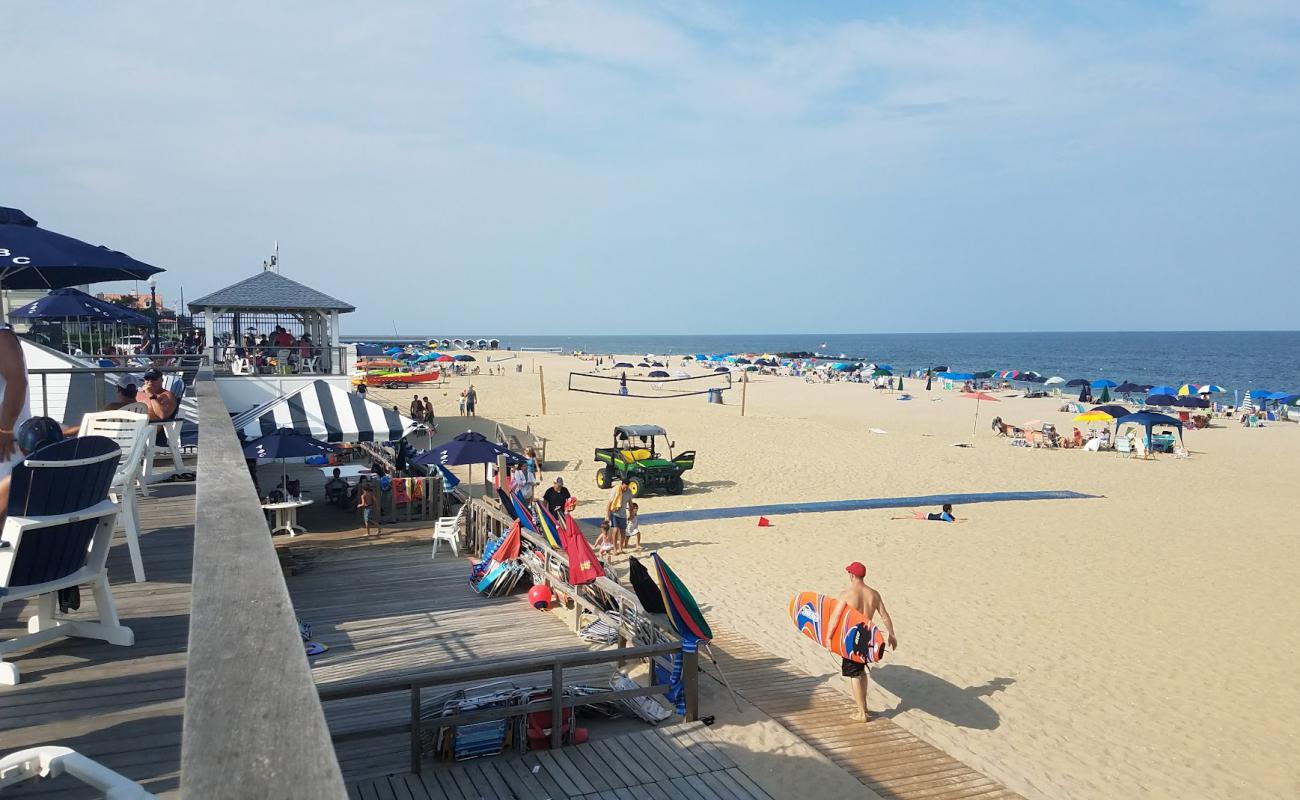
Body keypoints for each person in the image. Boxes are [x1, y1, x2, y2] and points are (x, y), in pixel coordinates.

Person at [840, 562, 898, 722]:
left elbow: (835, 618)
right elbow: (884, 615)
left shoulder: (846, 594)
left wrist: (829, 638)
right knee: (861, 671)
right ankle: (863, 706)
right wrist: (891, 634)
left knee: (854, 675)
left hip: (852, 638)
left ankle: (861, 713)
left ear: (851, 575)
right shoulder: (874, 594)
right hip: (867, 636)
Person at [606, 476, 632, 556]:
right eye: (625, 487)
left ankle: (620, 548)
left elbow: (630, 503)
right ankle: (614, 549)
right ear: (622, 484)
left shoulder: (629, 491)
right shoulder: (615, 490)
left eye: (627, 487)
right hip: (614, 513)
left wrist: (631, 514)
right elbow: (609, 503)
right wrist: (607, 515)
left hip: (623, 515)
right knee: (615, 530)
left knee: (623, 533)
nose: (625, 489)